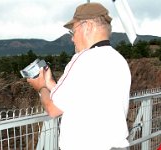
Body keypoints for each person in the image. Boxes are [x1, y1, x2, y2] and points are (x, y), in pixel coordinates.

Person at [27, 2, 131, 150]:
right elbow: (78, 97)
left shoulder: (83, 59)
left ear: (87, 26)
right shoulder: (119, 60)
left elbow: (52, 109)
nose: (72, 39)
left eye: (73, 32)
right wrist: (49, 82)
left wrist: (41, 87)